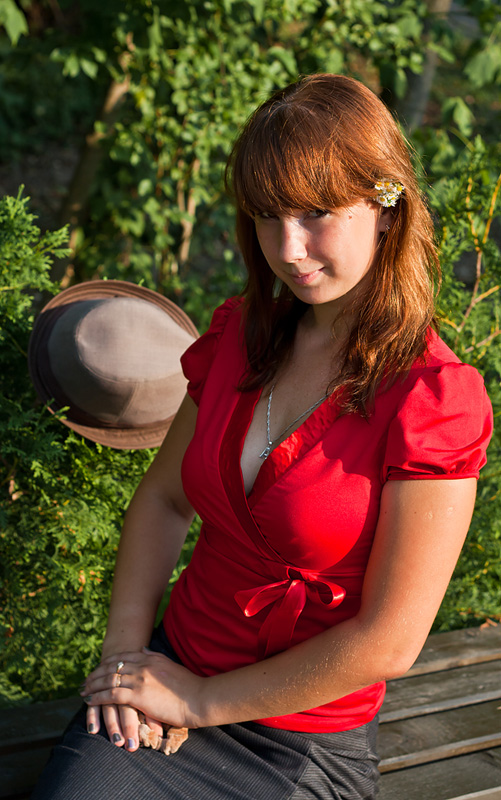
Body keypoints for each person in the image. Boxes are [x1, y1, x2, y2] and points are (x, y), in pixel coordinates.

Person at [31, 74, 493, 800]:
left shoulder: (432, 398)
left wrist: (196, 702)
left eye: (316, 213)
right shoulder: (237, 337)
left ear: (384, 204)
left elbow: (389, 641)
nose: (289, 247)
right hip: (161, 681)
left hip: (299, 737)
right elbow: (161, 502)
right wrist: (125, 659)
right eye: (268, 215)